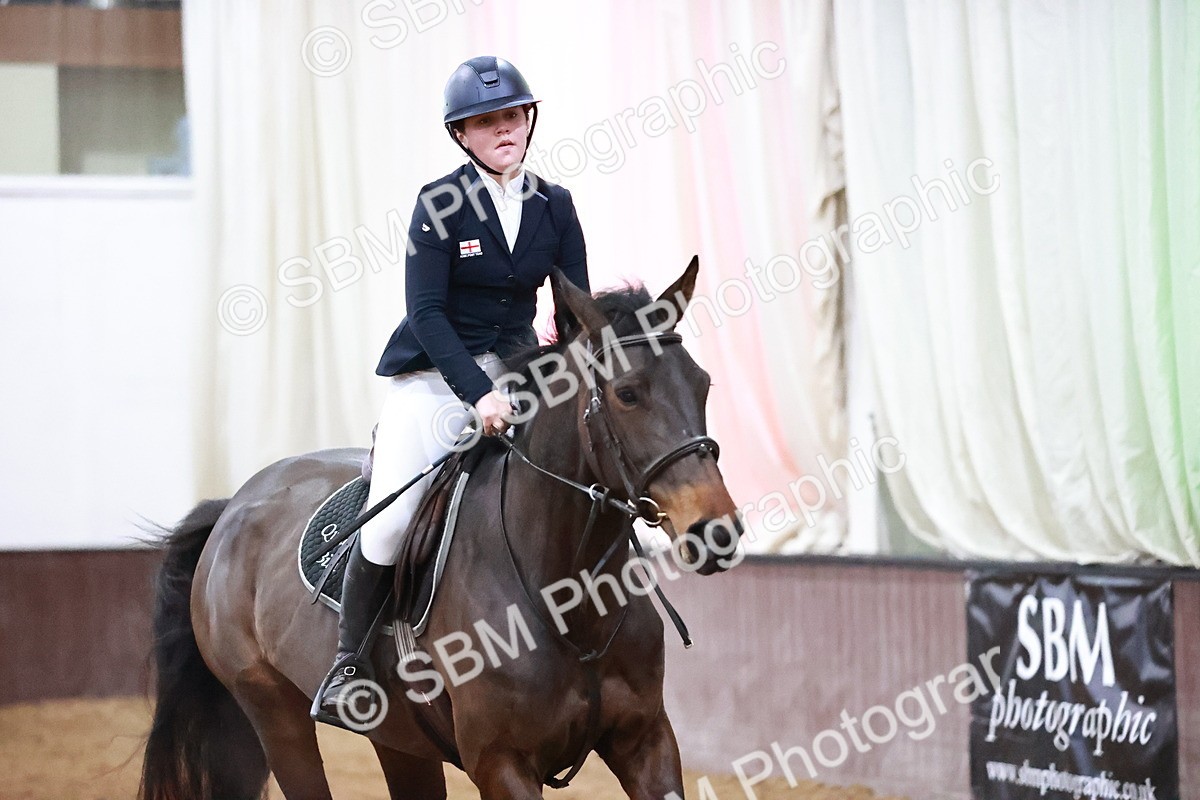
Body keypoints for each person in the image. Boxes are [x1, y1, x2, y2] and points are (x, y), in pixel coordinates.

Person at [313, 55, 590, 725]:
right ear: (462, 136)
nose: (503, 129)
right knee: (393, 519)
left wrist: (575, 382)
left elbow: (574, 311)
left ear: (529, 120)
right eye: (485, 121)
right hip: (436, 381)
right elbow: (427, 312)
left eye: (512, 116)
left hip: (519, 375)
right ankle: (350, 665)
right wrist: (477, 393)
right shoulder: (439, 202)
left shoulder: (556, 206)